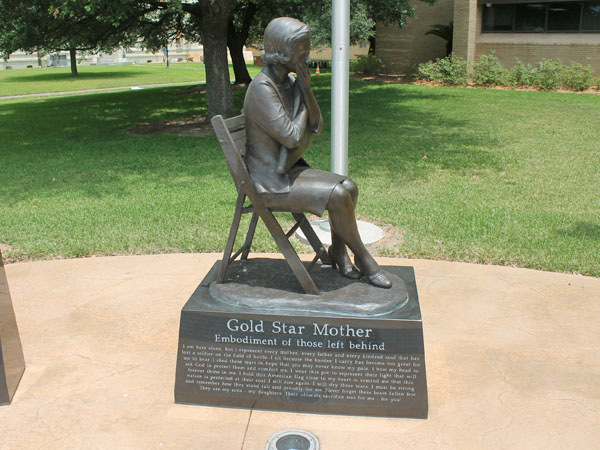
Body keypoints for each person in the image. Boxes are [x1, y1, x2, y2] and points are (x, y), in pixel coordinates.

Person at [243, 17, 391, 289]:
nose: (308, 59)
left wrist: (306, 90)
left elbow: (317, 125)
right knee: (338, 194)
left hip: (287, 168)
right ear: (282, 51)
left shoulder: (288, 82)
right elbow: (292, 137)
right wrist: (303, 98)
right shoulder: (262, 89)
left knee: (349, 187)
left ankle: (339, 251)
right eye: (303, 53)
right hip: (269, 182)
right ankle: (365, 259)